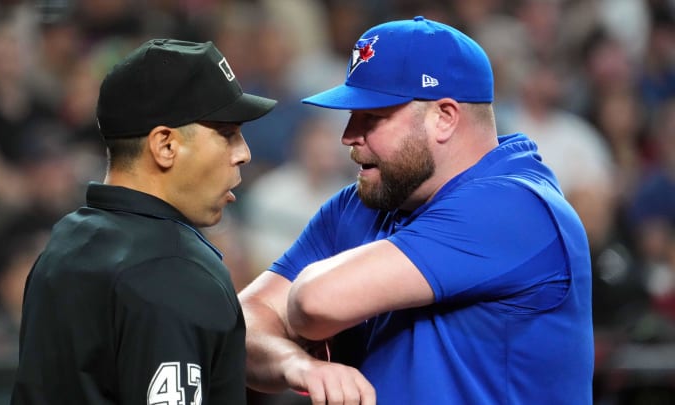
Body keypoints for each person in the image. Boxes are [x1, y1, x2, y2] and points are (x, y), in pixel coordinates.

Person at [239, 16, 594, 404]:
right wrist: (299, 365)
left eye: (371, 117)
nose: (348, 136)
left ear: (443, 118)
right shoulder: (360, 202)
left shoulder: (517, 205)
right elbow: (242, 324)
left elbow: (313, 301)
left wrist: (296, 313)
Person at [11, 39, 276, 404]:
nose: (244, 153)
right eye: (227, 134)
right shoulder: (176, 270)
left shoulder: (67, 239)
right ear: (165, 145)